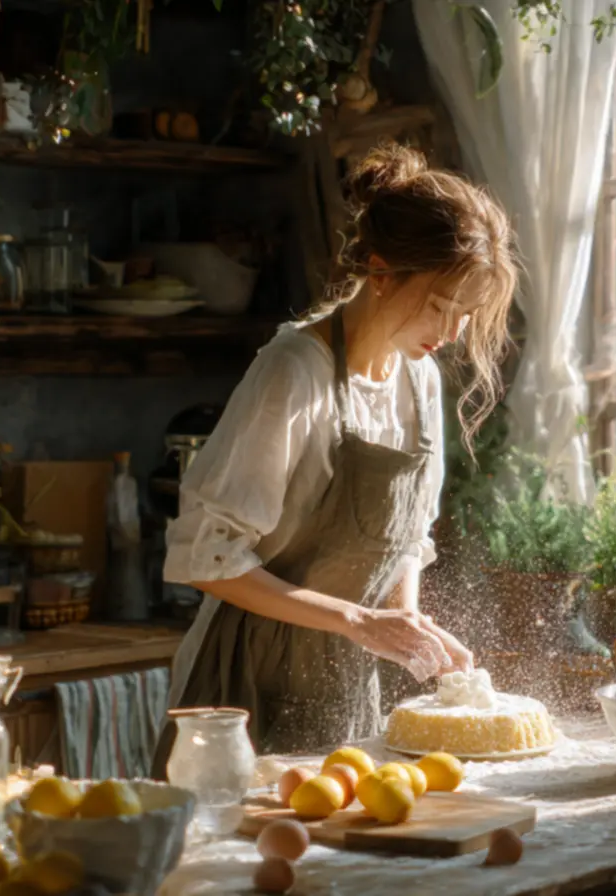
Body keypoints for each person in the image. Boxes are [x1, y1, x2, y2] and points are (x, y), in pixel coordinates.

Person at [152, 143, 518, 768]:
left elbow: (401, 538)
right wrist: (359, 620)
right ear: (381, 274)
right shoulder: (294, 374)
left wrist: (406, 627)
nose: (452, 332)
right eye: (438, 305)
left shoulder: (417, 378)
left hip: (345, 682)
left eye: (466, 313)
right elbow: (206, 556)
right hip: (245, 684)